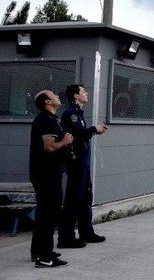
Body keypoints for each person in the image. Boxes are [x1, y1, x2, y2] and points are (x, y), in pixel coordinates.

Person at [58, 84, 108, 248]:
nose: (86, 93)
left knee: (85, 197)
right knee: (73, 199)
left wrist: (94, 130)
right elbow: (77, 136)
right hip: (76, 163)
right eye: (83, 92)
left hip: (83, 163)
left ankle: (87, 232)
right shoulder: (70, 113)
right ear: (76, 96)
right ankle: (66, 238)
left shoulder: (78, 113)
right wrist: (94, 129)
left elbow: (81, 135)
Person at [29, 90, 74, 268]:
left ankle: (38, 251)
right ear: (48, 101)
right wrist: (65, 141)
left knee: (43, 214)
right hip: (46, 175)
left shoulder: (50, 119)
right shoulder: (46, 120)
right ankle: (45, 258)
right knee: (49, 214)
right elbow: (48, 147)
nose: (57, 95)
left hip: (47, 173)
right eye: (53, 94)